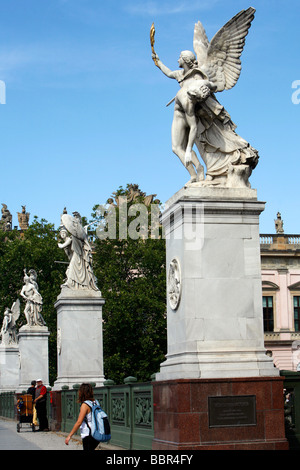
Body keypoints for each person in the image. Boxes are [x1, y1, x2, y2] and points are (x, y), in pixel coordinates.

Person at [65, 383, 99, 451]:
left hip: (88, 433)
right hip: (97, 432)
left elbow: (79, 422)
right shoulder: (96, 402)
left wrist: (69, 435)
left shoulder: (85, 405)